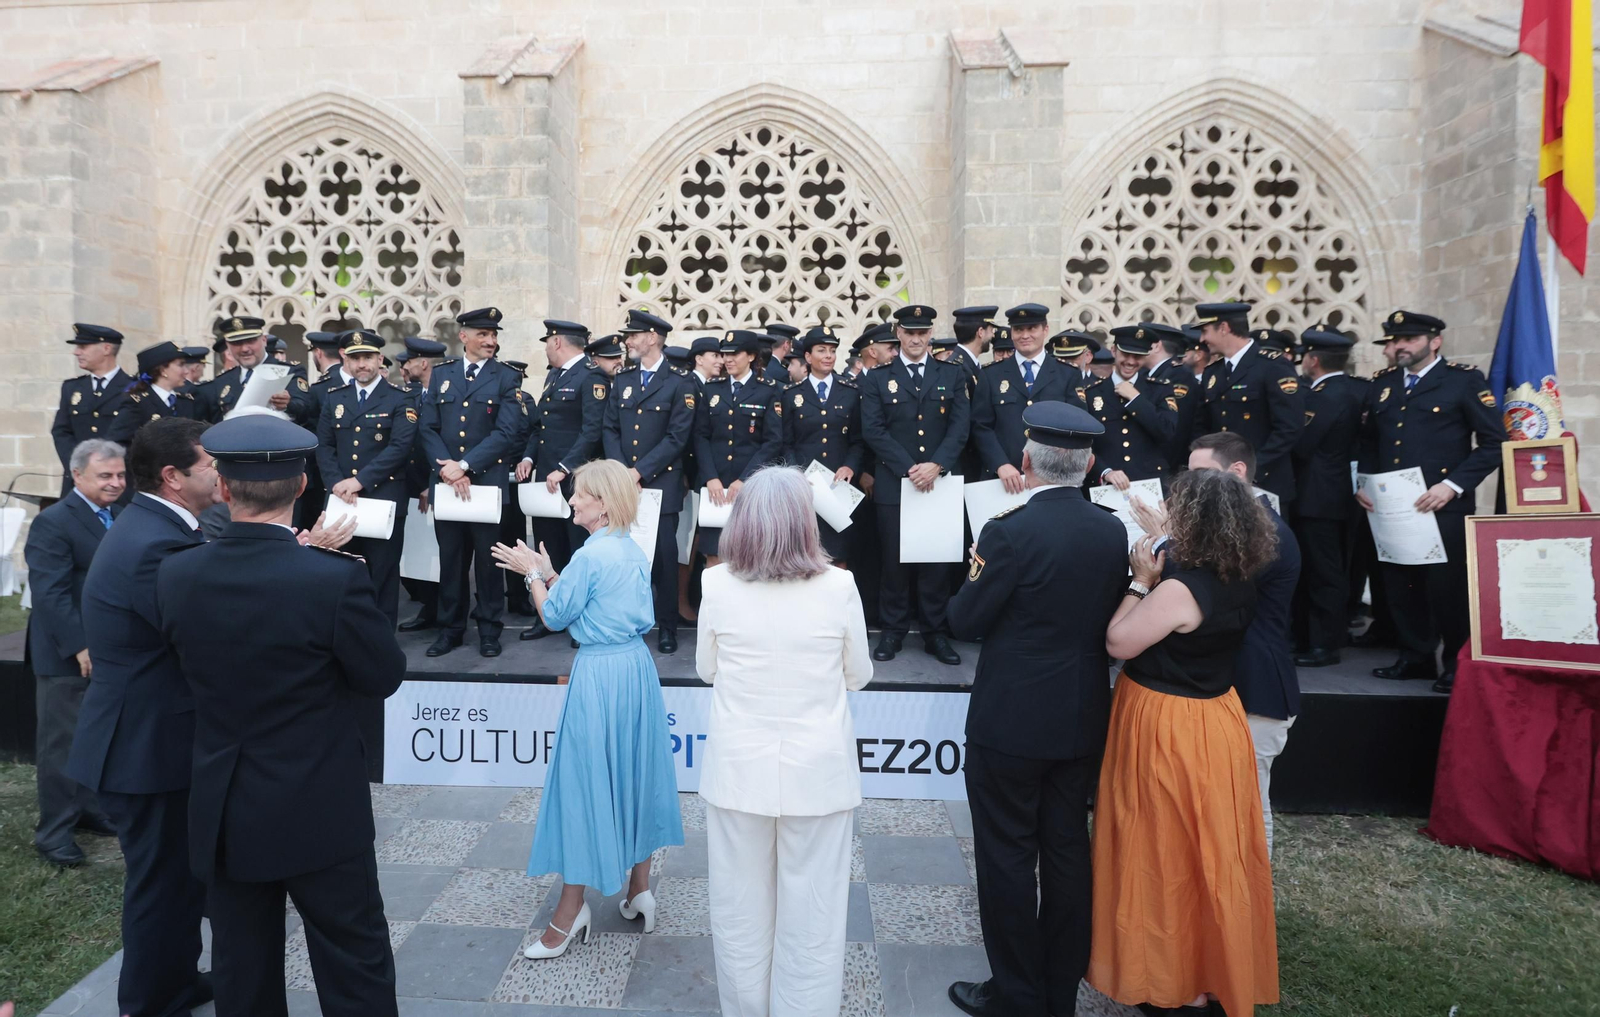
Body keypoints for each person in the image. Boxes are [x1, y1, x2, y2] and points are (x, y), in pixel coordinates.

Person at [155, 414, 404, 1017]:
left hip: (224, 798)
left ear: (222, 488)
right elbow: (382, 675)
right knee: (353, 959)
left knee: (242, 963)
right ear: (300, 487)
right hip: (318, 798)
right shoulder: (335, 579)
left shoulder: (176, 572)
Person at [943, 403, 1129, 1017]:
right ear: (1090, 464)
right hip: (1080, 713)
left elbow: (965, 620)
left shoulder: (1007, 531)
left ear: (1026, 460)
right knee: (1068, 851)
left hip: (1011, 719)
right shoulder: (1111, 530)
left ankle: (1018, 994)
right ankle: (1058, 992)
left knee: (1007, 857)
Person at [1090, 468, 1280, 1017]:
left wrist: (1139, 582)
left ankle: (1177, 984)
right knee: (1210, 855)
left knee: (1162, 852)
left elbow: (1118, 641)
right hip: (1217, 718)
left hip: (1167, 724)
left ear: (1192, 520)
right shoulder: (1242, 573)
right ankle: (1211, 970)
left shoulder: (1177, 587)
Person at [693, 467, 872, 1017]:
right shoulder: (839, 585)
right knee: (814, 918)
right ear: (804, 522)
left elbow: (706, 670)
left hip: (738, 772)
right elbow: (858, 674)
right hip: (818, 772)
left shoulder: (716, 583)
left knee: (739, 914)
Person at [489, 460, 685, 959]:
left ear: (604, 502)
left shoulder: (592, 556)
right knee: (633, 775)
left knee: (584, 785)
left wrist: (534, 573)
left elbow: (555, 615)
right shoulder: (627, 550)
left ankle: (570, 912)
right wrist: (553, 571)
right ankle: (638, 888)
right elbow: (593, 601)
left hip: (598, 676)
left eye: (581, 495)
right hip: (635, 671)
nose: (572, 501)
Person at [65, 418, 217, 1017]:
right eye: (211, 464)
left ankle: (175, 983)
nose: (221, 473)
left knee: (178, 880)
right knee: (160, 885)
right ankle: (147, 1003)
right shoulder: (156, 543)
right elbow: (199, 634)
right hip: (142, 746)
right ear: (175, 477)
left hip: (148, 735)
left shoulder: (156, 525)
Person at [1136, 434, 1303, 854]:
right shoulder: (1239, 526)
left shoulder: (1266, 533)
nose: (1191, 485)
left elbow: (1204, 580)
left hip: (1255, 687)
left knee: (1247, 807)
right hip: (1227, 683)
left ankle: (1250, 910)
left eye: (1200, 474)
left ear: (1237, 472)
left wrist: (1161, 539)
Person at [1359, 310, 1505, 694]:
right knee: (1401, 584)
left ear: (1434, 341)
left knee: (1447, 588)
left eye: (1409, 338)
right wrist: (1364, 481)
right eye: (1396, 339)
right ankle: (1415, 656)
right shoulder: (1384, 384)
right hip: (1392, 504)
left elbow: (1493, 444)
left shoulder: (1462, 381)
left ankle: (1456, 663)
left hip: (1442, 505)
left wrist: (1452, 485)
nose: (1400, 346)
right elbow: (1370, 440)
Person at [24, 438, 123, 867]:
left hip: (104, 648)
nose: (116, 483)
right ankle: (54, 832)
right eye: (105, 476)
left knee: (95, 736)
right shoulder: (55, 522)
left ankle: (88, 810)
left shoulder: (113, 516)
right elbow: (50, 592)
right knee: (62, 743)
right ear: (77, 474)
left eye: (121, 475)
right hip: (65, 652)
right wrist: (80, 645)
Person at [858, 303, 970, 665]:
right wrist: (910, 468)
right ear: (899, 334)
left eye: (923, 333)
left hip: (938, 484)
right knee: (894, 563)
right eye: (910, 332)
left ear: (930, 335)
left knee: (936, 564)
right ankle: (893, 631)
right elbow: (873, 430)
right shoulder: (877, 377)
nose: (917, 338)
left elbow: (960, 427)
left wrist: (936, 465)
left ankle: (934, 633)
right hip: (896, 483)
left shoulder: (951, 374)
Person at [418, 306, 526, 658]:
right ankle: (451, 629)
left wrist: (464, 466)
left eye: (494, 335)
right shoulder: (442, 375)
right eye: (483, 334)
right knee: (451, 560)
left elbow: (507, 432)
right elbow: (427, 427)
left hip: (484, 484)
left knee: (488, 562)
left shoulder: (506, 377)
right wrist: (447, 470)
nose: (490, 341)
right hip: (447, 485)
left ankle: (489, 629)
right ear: (463, 336)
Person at [603, 308, 697, 652]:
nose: (628, 340)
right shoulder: (624, 380)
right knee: (624, 556)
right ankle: (629, 622)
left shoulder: (679, 382)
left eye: (633, 335)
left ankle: (667, 625)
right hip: (624, 486)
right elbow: (610, 427)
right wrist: (621, 471)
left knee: (664, 558)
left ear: (653, 338)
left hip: (660, 485)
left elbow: (677, 436)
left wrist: (638, 472)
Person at [317, 329, 418, 625]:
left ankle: (382, 639)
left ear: (379, 359)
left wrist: (358, 481)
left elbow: (400, 447)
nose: (362, 364)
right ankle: (347, 635)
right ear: (345, 361)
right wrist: (336, 482)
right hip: (341, 500)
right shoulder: (335, 397)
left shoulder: (399, 398)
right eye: (355, 358)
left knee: (383, 575)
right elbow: (324, 444)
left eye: (368, 357)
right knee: (341, 573)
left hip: (382, 498)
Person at [515, 319, 607, 639]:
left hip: (575, 480)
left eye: (547, 343)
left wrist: (565, 467)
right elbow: (540, 428)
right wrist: (528, 458)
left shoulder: (591, 375)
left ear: (557, 343)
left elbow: (591, 431)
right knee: (547, 544)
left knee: (575, 548)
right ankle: (549, 614)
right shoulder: (555, 377)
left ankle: (580, 617)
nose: (546, 348)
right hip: (546, 478)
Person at [1290, 330, 1366, 667]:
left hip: (1318, 494)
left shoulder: (1325, 396)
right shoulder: (1351, 389)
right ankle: (1313, 638)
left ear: (1313, 360)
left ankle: (1325, 643)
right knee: (1321, 569)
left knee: (1324, 572)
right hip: (1329, 492)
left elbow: (1304, 444)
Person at [1189, 301, 1304, 509]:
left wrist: (1251, 470)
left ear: (1224, 328)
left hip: (1264, 481)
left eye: (1205, 331)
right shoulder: (1213, 371)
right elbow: (1202, 425)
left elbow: (1289, 428)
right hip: (1219, 484)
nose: (1202, 339)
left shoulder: (1273, 366)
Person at [970, 304, 1086, 495]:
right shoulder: (991, 374)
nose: (1025, 335)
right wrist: (1000, 464)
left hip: (1053, 480)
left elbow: (1078, 427)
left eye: (1032, 328)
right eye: (1018, 329)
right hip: (1004, 481)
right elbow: (980, 425)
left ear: (1045, 330)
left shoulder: (1067, 374)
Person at [694, 330, 784, 566]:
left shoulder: (768, 389)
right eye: (725, 354)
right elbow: (701, 436)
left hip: (751, 485)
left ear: (751, 356)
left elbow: (772, 441)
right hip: (717, 486)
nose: (728, 359)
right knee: (714, 555)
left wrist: (746, 479)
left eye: (735, 354)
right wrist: (710, 477)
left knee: (750, 554)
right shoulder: (712, 388)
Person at [776, 326, 864, 563]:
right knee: (804, 555)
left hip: (839, 485)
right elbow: (786, 442)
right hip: (805, 487)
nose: (828, 356)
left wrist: (850, 466)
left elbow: (858, 440)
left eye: (832, 350)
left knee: (839, 556)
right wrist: (797, 475)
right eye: (822, 350)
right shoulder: (790, 394)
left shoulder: (850, 392)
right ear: (807, 356)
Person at [395, 335, 447, 630]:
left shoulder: (445, 393)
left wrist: (432, 482)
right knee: (417, 553)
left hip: (437, 482)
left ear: (423, 363)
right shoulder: (410, 395)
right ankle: (430, 607)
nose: (407, 366)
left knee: (441, 553)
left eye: (411, 360)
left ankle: (443, 611)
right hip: (413, 483)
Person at [1085, 325, 1178, 490]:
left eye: (1138, 356)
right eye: (1126, 354)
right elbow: (1083, 444)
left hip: (1148, 483)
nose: (1130, 361)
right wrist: (1105, 471)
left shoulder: (1160, 389)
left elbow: (1167, 431)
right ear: (1114, 351)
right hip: (1106, 486)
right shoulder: (1091, 393)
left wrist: (1136, 399)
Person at [52, 323, 132, 497]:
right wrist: (79, 466)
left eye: (83, 347)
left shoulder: (133, 389)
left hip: (117, 486)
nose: (76, 352)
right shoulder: (72, 387)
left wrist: (105, 468)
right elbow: (61, 431)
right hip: (78, 483)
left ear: (106, 348)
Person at [195, 316, 303, 421]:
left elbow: (306, 411)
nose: (244, 349)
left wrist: (287, 405)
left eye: (250, 341)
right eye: (237, 343)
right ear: (228, 346)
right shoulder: (221, 382)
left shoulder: (290, 371)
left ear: (264, 340)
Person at [109, 342, 202, 444]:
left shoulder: (186, 401)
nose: (186, 371)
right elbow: (119, 442)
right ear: (163, 370)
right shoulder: (137, 403)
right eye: (180, 365)